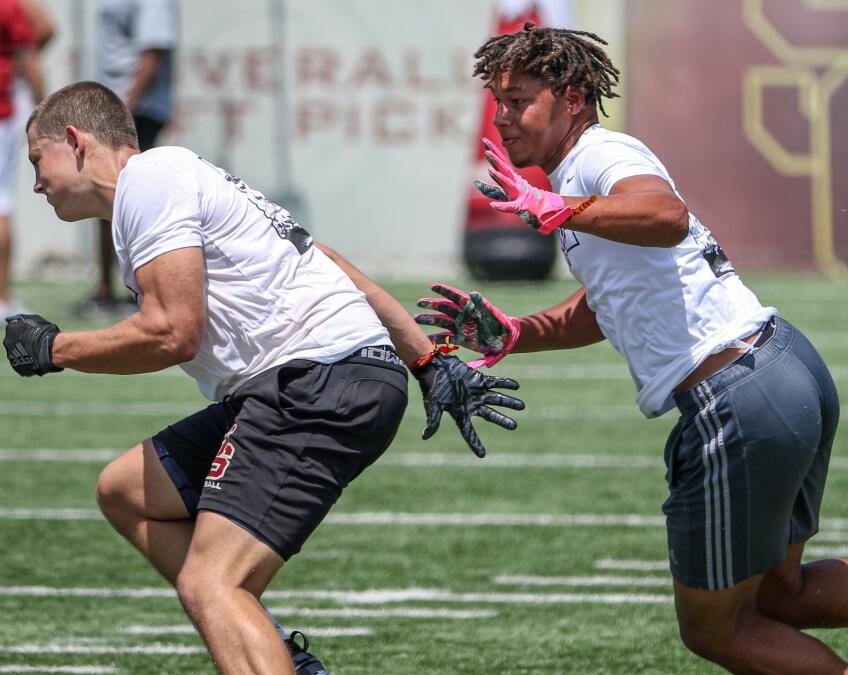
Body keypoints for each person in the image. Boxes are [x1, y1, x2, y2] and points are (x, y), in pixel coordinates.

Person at [412, 22, 848, 675]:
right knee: (780, 592)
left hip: (735, 399)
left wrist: (556, 209)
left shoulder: (597, 162)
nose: (503, 117)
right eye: (499, 102)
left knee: (716, 628)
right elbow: (610, 303)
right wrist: (518, 332)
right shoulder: (580, 179)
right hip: (783, 367)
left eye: (518, 100)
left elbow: (667, 217)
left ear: (573, 97)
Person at [5, 81, 524, 674]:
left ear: (75, 141)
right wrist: (424, 358)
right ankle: (276, 657)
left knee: (211, 582)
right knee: (126, 490)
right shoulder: (173, 179)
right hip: (320, 375)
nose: (37, 182)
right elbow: (319, 258)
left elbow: (175, 332)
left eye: (37, 161)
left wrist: (55, 348)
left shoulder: (149, 180)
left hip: (313, 379)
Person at [79, 0, 178, 317]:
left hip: (138, 110)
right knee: (104, 195)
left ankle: (147, 290)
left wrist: (123, 110)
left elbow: (152, 55)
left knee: (135, 198)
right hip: (115, 105)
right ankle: (108, 289)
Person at [0, 0, 44, 318]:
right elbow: (31, 61)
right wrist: (47, 114)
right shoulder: (10, 7)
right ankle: (2, 299)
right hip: (2, 112)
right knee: (1, 203)